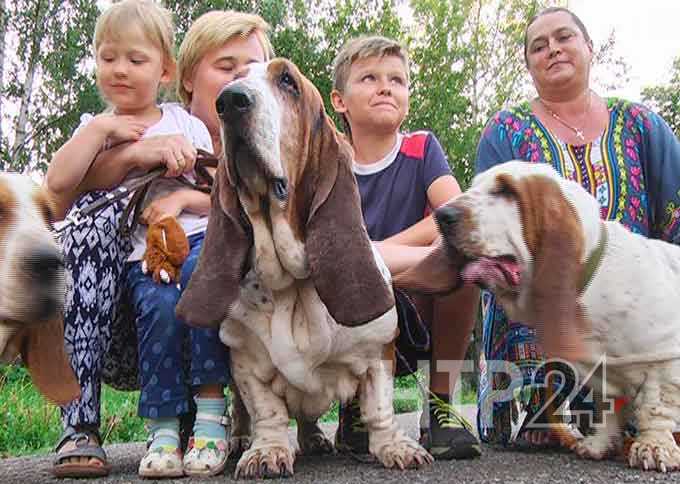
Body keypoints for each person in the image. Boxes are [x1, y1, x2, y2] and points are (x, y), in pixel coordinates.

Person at [45, 6, 274, 478]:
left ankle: (216, 417)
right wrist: (111, 135)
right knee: (151, 288)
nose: (122, 70)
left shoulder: (204, 128)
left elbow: (233, 196)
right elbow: (58, 188)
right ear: (187, 77)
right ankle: (136, 427)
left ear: (162, 69)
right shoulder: (103, 128)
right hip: (135, 288)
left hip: (216, 276)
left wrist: (186, 196)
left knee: (200, 283)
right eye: (109, 58)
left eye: (136, 59)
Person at [475, 6, 680, 447]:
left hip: (635, 320)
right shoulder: (505, 131)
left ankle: (648, 403)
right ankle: (542, 407)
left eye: (564, 37)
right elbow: (485, 235)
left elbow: (675, 226)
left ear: (590, 48)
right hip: (534, 315)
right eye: (538, 45)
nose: (552, 49)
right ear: (528, 65)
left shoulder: (642, 124)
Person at [330, 35, 482, 460]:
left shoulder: (421, 147)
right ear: (340, 101)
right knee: (334, 270)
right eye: (370, 78)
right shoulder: (330, 159)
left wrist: (377, 250)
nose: (385, 87)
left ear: (408, 98)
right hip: (348, 306)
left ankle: (440, 406)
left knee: (465, 258)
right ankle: (356, 410)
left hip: (413, 294)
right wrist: (367, 257)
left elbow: (454, 210)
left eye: (397, 79)